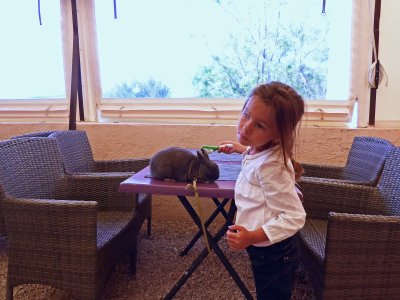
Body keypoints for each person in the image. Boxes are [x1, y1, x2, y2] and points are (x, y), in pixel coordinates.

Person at [218, 81, 306, 300]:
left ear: (277, 135)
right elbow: (255, 151)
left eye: (260, 126)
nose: (246, 126)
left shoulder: (271, 167)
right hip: (264, 248)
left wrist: (251, 236)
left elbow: (294, 217)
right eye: (246, 115)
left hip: (274, 252)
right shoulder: (261, 149)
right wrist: (240, 148)